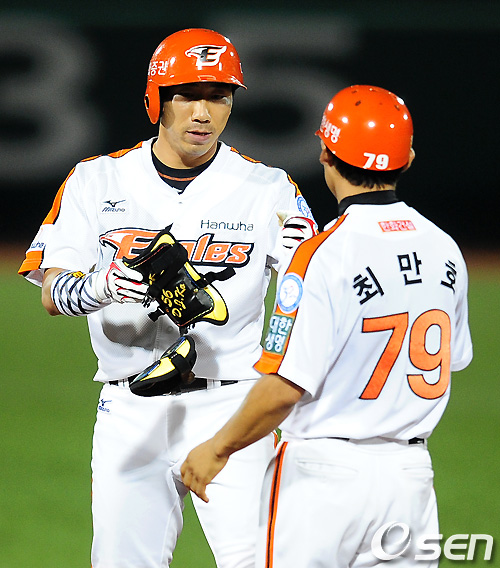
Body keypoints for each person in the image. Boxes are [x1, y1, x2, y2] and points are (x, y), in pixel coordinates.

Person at [18, 28, 317, 568]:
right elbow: (50, 289)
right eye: (187, 95)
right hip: (130, 407)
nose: (203, 113)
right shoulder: (96, 179)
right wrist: (97, 288)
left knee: (261, 561)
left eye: (218, 97)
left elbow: (314, 294)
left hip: (233, 405)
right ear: (156, 99)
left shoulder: (269, 188)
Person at [181, 85, 473, 567]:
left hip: (322, 480)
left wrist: (217, 448)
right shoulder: (444, 249)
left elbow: (283, 387)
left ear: (325, 154)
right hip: (410, 477)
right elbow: (450, 361)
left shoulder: (322, 254)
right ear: (408, 159)